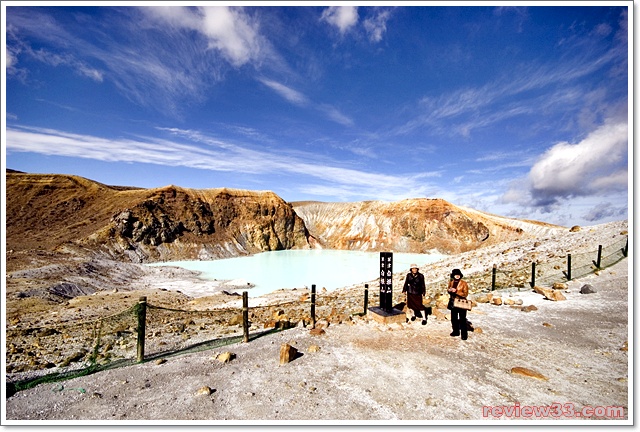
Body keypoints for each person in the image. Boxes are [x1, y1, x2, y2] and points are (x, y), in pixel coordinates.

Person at [447, 268, 469, 340]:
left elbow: (465, 294)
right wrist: (449, 290)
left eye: (458, 275)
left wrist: (456, 291)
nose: (457, 276)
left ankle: (464, 334)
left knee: (462, 319)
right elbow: (448, 289)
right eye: (456, 275)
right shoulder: (451, 282)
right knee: (454, 318)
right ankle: (455, 331)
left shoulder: (464, 283)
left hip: (461, 302)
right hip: (453, 302)